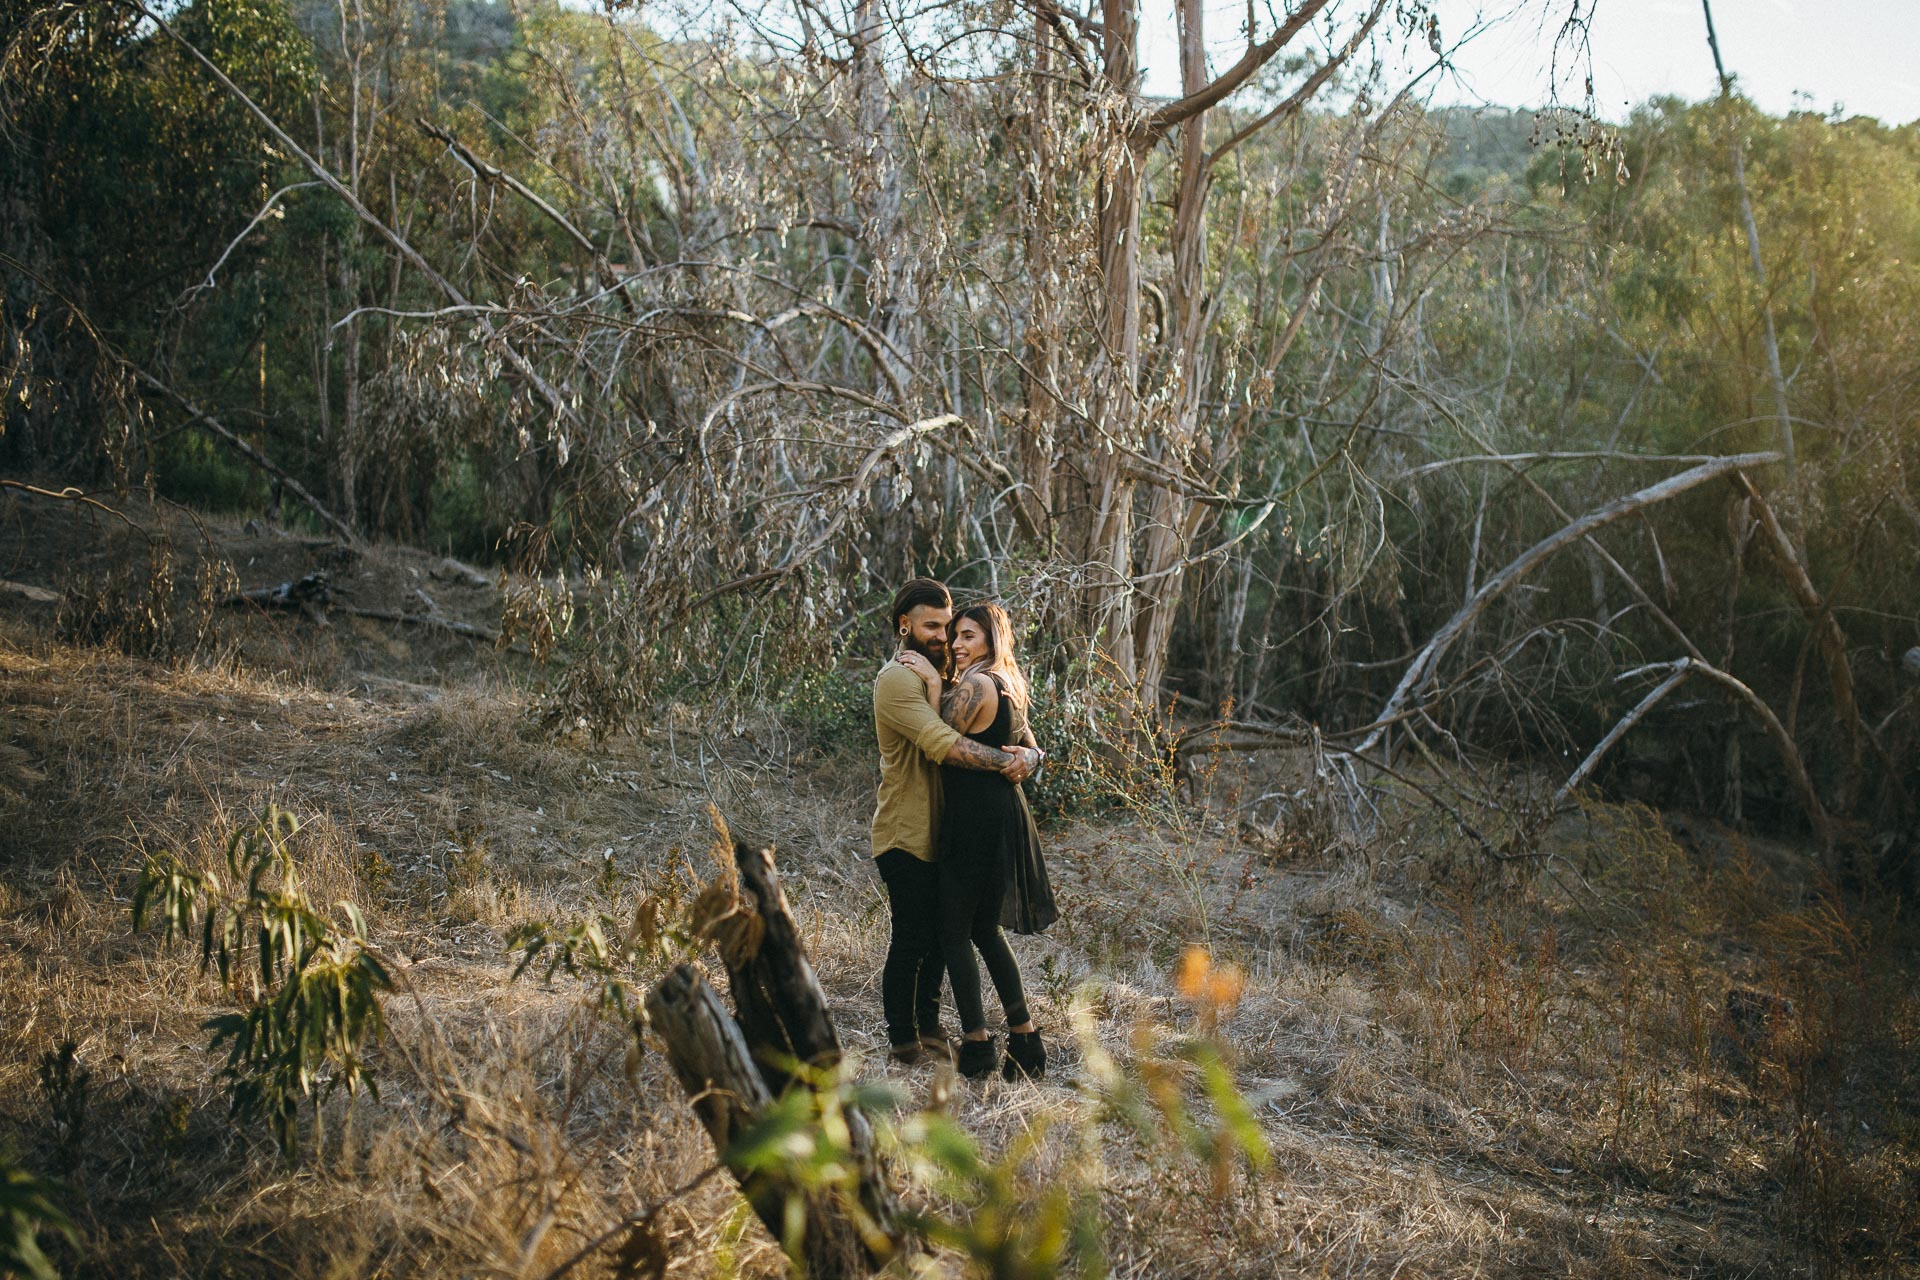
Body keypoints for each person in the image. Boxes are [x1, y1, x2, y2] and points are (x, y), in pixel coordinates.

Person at [871, 579, 1040, 1065]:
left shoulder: (952, 677)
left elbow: (1018, 728)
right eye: (933, 627)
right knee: (912, 938)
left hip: (949, 828)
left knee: (949, 935)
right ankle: (904, 1040)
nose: (945, 638)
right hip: (905, 829)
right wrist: (1009, 763)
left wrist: (1032, 755)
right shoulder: (899, 679)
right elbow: (943, 744)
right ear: (905, 625)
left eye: (952, 628)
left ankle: (932, 1029)